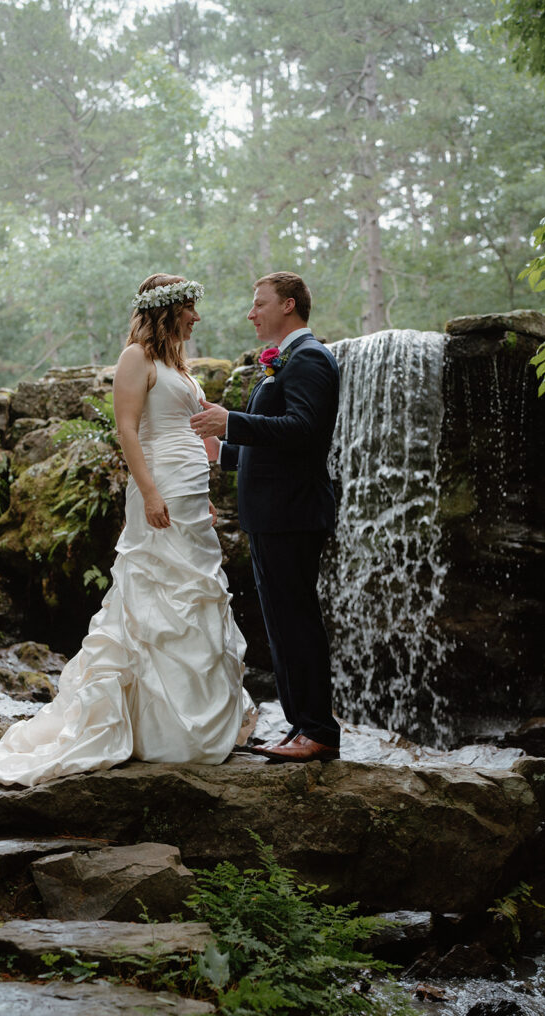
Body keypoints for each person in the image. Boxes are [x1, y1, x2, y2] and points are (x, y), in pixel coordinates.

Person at [0, 274, 254, 788]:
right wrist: (149, 492)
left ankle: (197, 717)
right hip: (159, 487)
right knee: (156, 595)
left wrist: (204, 493)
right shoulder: (135, 358)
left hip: (189, 493)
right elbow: (127, 428)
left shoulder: (178, 367)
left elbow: (191, 430)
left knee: (197, 594)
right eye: (190, 309)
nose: (197, 318)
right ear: (167, 311)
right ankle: (152, 725)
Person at [190, 271, 340, 764]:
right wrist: (222, 448)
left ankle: (318, 730)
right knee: (281, 624)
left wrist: (231, 420)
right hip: (273, 515)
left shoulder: (310, 358)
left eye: (259, 304)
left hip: (292, 514)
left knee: (296, 623)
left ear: (289, 305)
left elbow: (302, 430)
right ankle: (300, 726)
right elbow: (273, 443)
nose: (251, 313)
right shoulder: (286, 361)